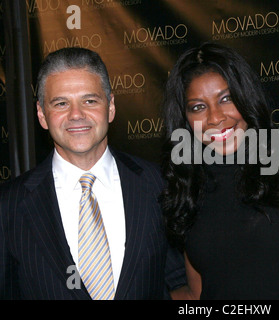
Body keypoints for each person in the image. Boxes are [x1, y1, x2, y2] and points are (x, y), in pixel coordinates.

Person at [160, 42, 279, 299]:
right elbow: (196, 292)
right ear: (185, 119)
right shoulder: (189, 189)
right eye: (198, 107)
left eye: (226, 99)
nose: (215, 118)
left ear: (246, 98)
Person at [0, 47, 186, 299]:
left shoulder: (158, 184)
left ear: (110, 107)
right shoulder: (9, 205)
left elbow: (181, 283)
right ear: (42, 115)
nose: (76, 115)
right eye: (61, 103)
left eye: (90, 100)